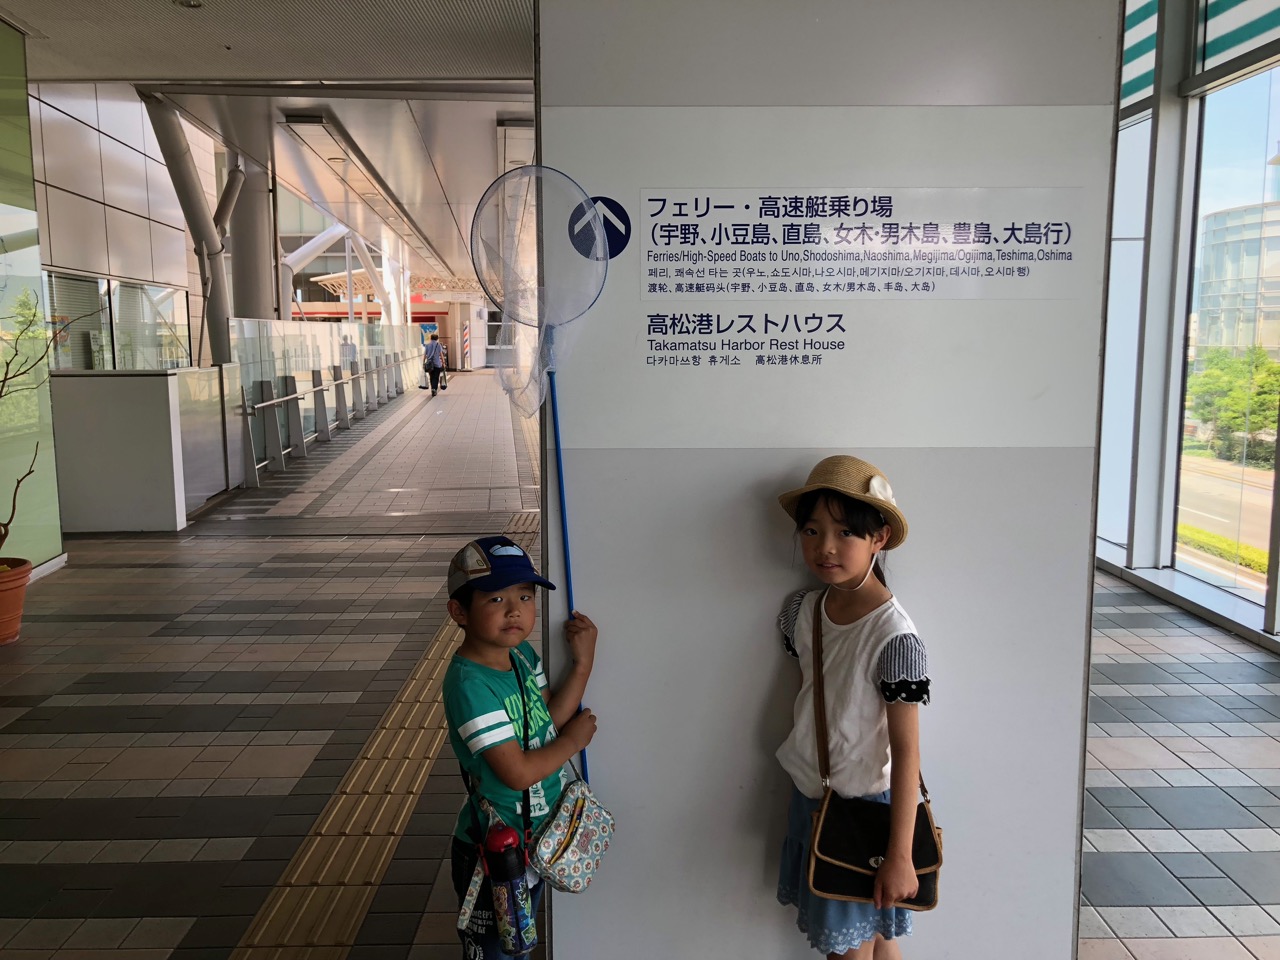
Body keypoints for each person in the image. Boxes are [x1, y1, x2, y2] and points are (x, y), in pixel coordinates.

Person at [773, 456, 930, 960]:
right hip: (814, 799)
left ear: (879, 538)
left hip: (865, 809)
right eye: (812, 530)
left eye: (845, 532)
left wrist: (900, 854)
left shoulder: (895, 637)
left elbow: (907, 753)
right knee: (874, 940)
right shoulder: (801, 611)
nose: (825, 546)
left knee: (850, 952)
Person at [443, 536, 599, 960]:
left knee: (518, 946)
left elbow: (547, 719)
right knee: (498, 953)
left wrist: (583, 665)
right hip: (492, 855)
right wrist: (573, 742)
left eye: (525, 596)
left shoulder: (522, 656)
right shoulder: (470, 685)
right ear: (459, 612)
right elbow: (516, 773)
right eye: (496, 598)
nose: (515, 610)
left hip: (532, 842)